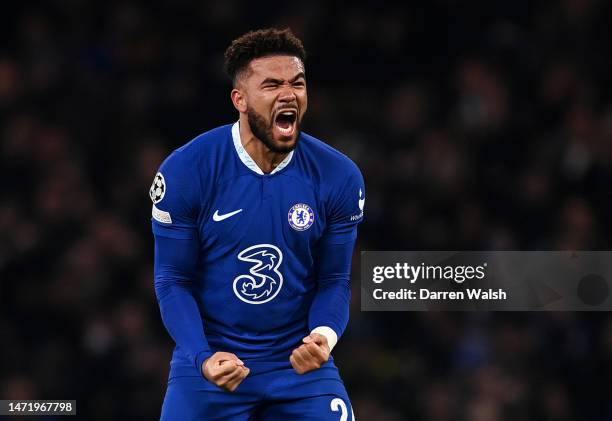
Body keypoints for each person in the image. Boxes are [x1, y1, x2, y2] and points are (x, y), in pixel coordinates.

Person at [150, 27, 365, 420]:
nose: (288, 94)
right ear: (240, 100)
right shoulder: (186, 171)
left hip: (298, 367)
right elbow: (171, 280)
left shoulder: (339, 177)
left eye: (297, 83)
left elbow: (334, 280)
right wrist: (202, 357)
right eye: (271, 85)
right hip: (213, 363)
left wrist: (323, 337)